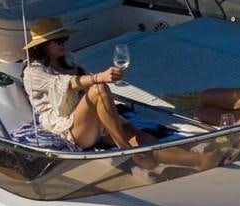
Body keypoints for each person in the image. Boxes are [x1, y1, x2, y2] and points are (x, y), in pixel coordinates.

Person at [22, 16, 148, 151]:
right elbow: (66, 83)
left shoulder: (67, 59)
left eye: (65, 39)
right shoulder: (33, 71)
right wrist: (99, 77)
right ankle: (125, 149)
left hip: (90, 118)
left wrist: (100, 79)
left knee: (143, 140)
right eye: (58, 41)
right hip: (66, 124)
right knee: (99, 88)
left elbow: (84, 82)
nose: (64, 44)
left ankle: (160, 164)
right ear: (42, 45)